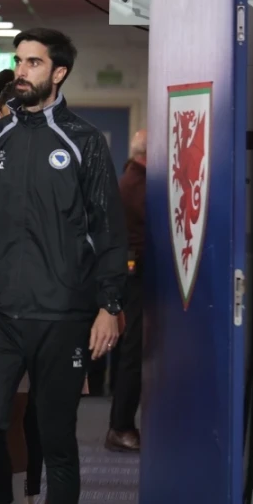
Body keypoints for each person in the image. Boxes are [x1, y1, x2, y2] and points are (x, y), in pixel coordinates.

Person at [0, 28, 127, 504]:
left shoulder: (84, 141)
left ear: (59, 73)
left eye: (33, 62)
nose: (21, 70)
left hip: (64, 314)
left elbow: (107, 229)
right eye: (18, 60)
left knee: (57, 440)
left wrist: (109, 305)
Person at [107, 129, 146, 452]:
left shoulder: (131, 180)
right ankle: (121, 426)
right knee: (132, 352)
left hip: (133, 277)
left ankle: (121, 424)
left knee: (131, 351)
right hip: (137, 279)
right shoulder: (136, 185)